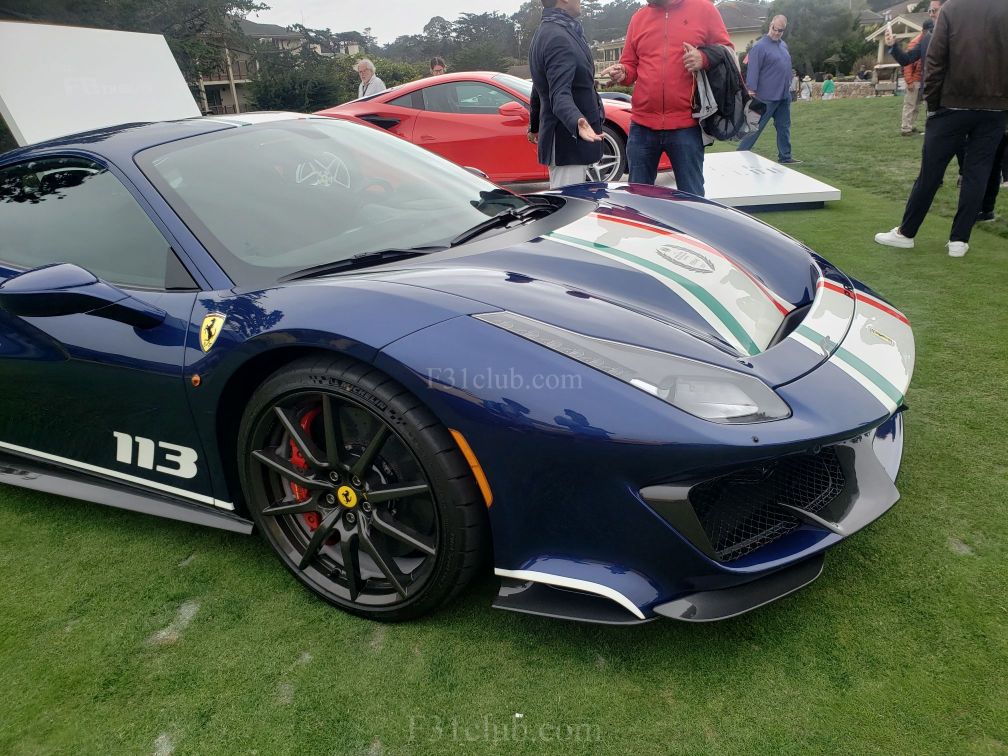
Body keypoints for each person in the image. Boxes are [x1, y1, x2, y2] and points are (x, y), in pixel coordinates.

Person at [874, 0, 1008, 258]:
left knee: (931, 172)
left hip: (952, 105)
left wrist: (934, 103)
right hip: (995, 109)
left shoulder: (952, 9)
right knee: (977, 173)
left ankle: (906, 233)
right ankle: (959, 240)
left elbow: (935, 59)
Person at [599, 0, 731, 195]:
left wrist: (703, 58)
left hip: (687, 125)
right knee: (639, 199)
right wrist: (623, 72)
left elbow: (727, 51)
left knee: (692, 198)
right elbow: (630, 64)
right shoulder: (639, 18)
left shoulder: (704, 9)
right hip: (642, 127)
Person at [528, 0, 604, 188]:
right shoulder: (558, 37)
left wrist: (534, 126)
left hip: (570, 144)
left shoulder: (547, 31)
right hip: (568, 145)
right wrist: (577, 121)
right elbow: (558, 94)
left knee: (579, 203)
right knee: (570, 204)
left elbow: (539, 86)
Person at [736, 16, 799, 164]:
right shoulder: (759, 46)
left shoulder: (783, 45)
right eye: (774, 29)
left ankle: (785, 157)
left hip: (783, 95)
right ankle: (739, 155)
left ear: (784, 30)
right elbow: (753, 69)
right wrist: (751, 90)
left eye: (780, 31)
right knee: (755, 128)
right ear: (770, 25)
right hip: (764, 96)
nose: (776, 33)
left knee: (784, 126)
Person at [898, 20, 931, 136]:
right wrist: (909, 81)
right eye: (928, 31)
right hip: (914, 79)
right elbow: (907, 64)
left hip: (922, 79)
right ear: (923, 31)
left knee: (916, 105)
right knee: (910, 104)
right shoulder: (915, 43)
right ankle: (905, 128)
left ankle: (911, 126)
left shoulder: (927, 41)